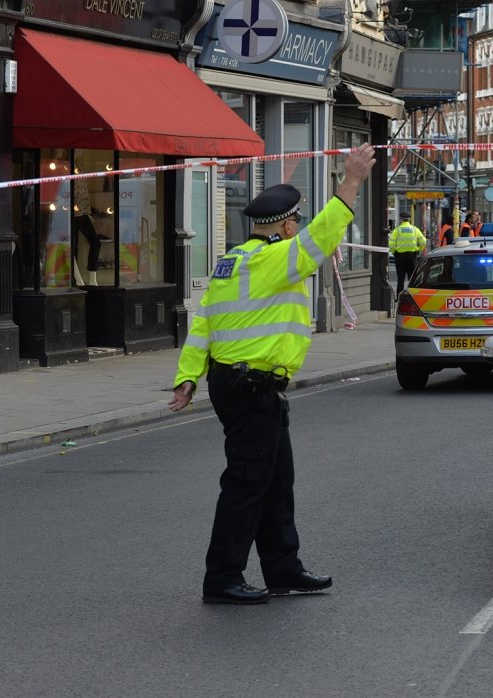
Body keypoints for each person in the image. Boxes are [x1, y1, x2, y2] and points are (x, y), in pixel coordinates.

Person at [167, 144, 377, 605]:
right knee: (247, 483)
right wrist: (352, 182)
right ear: (285, 226)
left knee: (276, 481)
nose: (297, 230)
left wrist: (187, 377)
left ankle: (283, 569)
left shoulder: (231, 263)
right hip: (250, 387)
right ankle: (222, 578)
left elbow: (203, 322)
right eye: (295, 224)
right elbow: (320, 239)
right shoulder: (271, 261)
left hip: (243, 384)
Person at [388, 210, 426, 293]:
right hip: (412, 256)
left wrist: (394, 252)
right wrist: (419, 250)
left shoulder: (397, 230)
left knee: (400, 278)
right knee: (412, 278)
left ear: (401, 219)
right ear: (409, 219)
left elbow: (391, 244)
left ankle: (399, 297)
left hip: (400, 257)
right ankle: (412, 296)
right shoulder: (415, 229)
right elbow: (423, 241)